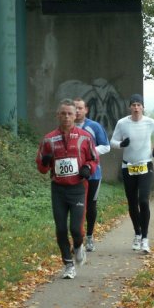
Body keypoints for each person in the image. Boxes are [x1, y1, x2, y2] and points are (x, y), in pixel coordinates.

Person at [36, 99, 99, 279]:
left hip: (78, 188)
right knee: (61, 228)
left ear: (76, 115)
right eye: (63, 113)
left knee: (75, 229)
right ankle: (68, 265)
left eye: (70, 113)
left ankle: (78, 246)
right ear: (58, 115)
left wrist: (88, 168)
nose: (66, 117)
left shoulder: (85, 137)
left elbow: (94, 159)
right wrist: (46, 162)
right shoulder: (49, 139)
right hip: (58, 189)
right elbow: (41, 168)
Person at [110, 94, 154, 253]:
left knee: (143, 200)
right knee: (132, 202)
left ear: (143, 107)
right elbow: (112, 142)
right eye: (133, 105)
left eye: (138, 105)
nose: (136, 107)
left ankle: (145, 239)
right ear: (129, 108)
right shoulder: (122, 123)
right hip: (128, 167)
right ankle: (137, 234)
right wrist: (121, 144)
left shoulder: (150, 122)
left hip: (145, 165)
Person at [73, 97, 110, 252]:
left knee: (90, 205)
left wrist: (89, 153)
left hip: (93, 174)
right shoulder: (68, 127)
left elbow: (106, 146)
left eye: (80, 108)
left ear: (86, 110)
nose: (77, 111)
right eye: (75, 108)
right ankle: (77, 239)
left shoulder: (94, 126)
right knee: (76, 207)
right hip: (74, 174)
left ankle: (89, 237)